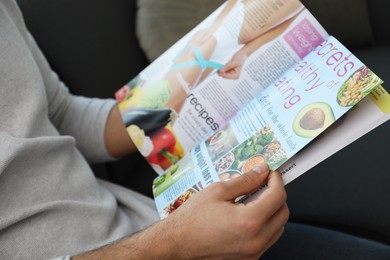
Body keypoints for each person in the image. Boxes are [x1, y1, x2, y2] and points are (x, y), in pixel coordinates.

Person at [0, 0, 288, 259]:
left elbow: (59, 113)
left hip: (142, 224)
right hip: (159, 244)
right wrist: (175, 242)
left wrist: (191, 68)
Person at [118, 0, 304, 113]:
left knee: (184, 99)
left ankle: (155, 139)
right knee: (177, 86)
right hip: (222, 31)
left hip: (236, 46)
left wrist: (244, 54)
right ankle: (136, 117)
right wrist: (215, 25)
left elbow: (282, 25)